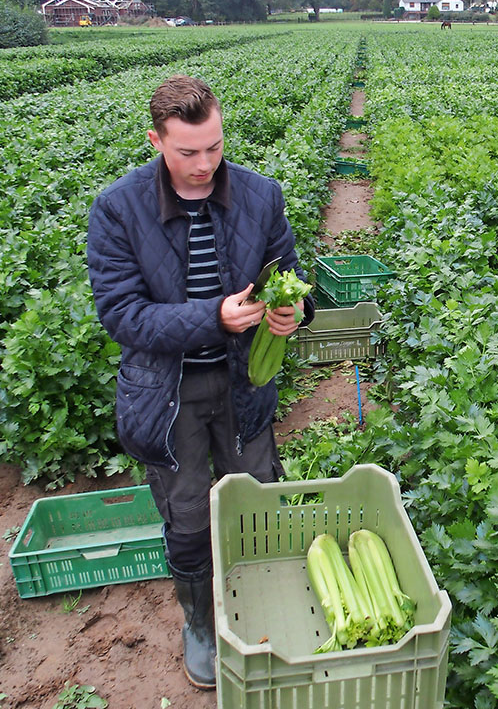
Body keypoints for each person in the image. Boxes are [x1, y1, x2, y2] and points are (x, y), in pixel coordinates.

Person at [86, 75, 314, 689]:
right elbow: (122, 316)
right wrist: (211, 316)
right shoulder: (118, 209)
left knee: (258, 500)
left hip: (242, 387)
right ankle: (201, 625)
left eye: (214, 147)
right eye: (188, 152)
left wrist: (293, 314)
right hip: (168, 397)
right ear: (156, 140)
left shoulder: (262, 196)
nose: (205, 164)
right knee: (187, 518)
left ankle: (263, 611)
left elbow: (289, 274)